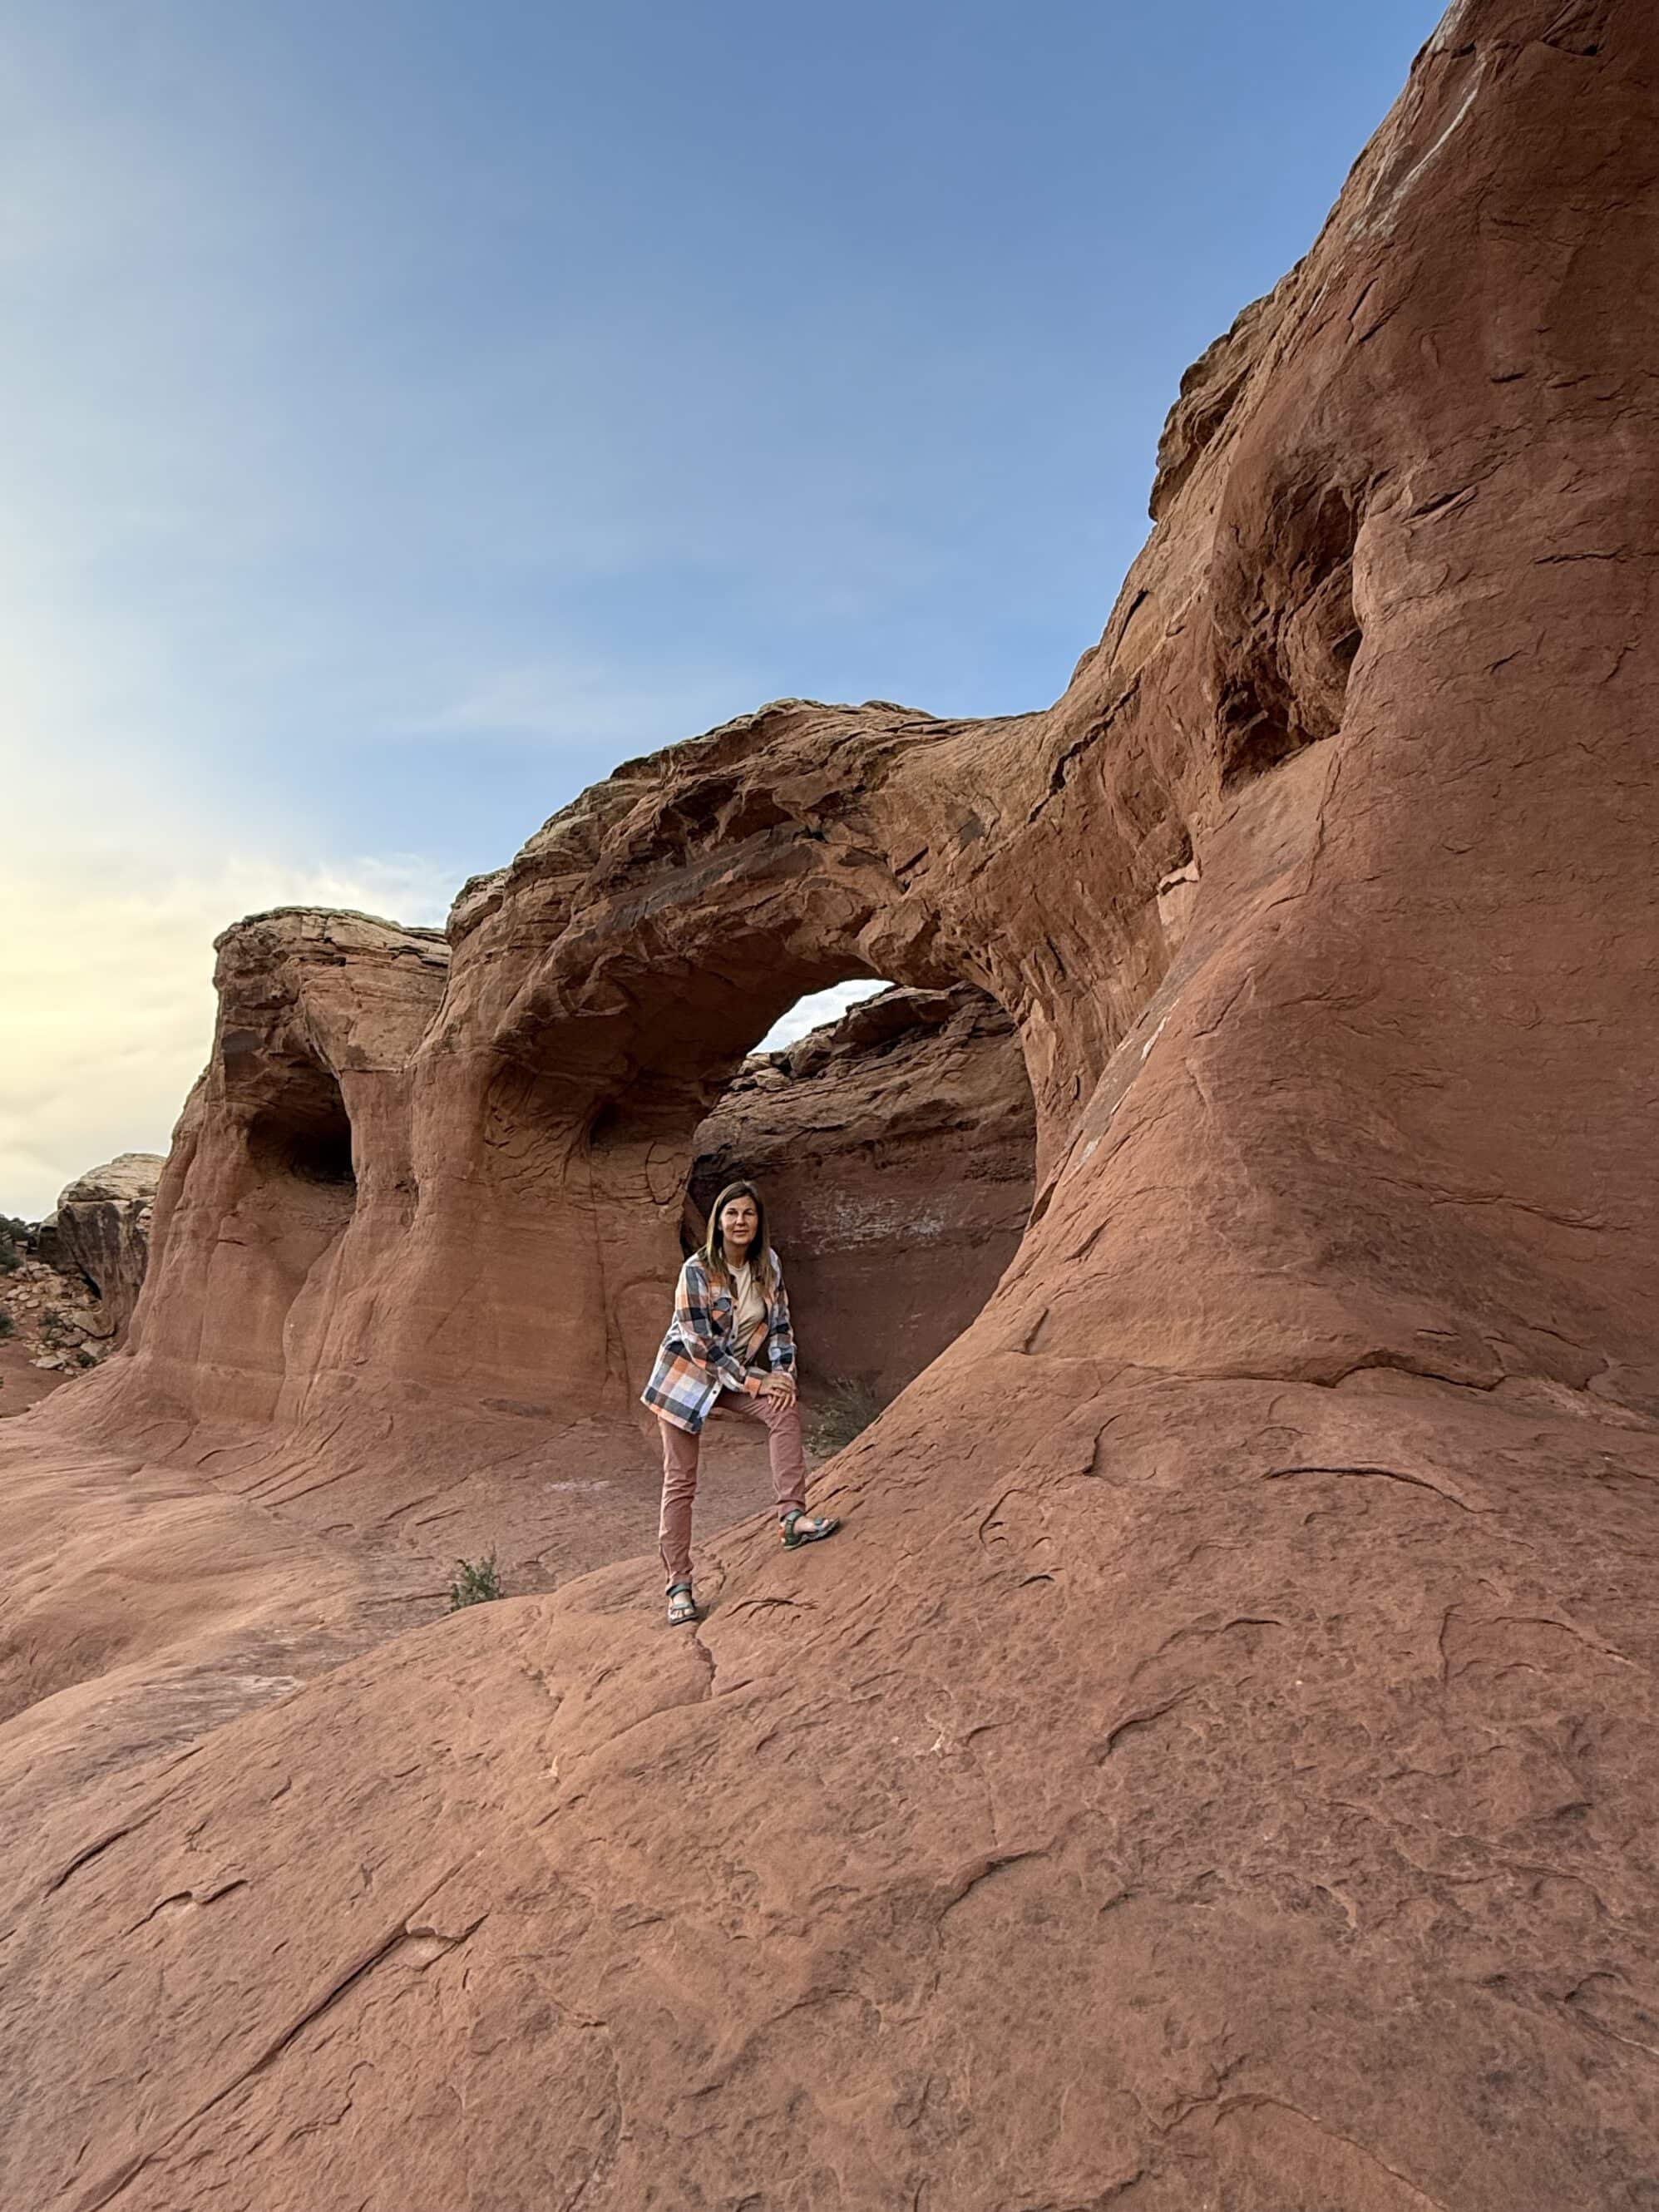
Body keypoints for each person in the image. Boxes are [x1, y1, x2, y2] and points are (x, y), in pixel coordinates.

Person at [642, 1179, 840, 1624]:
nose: (740, 1222)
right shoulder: (696, 1270)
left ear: (758, 1221)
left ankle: (793, 1518)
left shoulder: (767, 1264)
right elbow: (702, 1348)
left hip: (736, 1375)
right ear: (718, 1221)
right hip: (686, 1382)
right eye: (731, 1214)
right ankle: (678, 1586)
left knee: (783, 1409)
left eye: (748, 1214)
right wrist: (756, 1381)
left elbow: (782, 1327)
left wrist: (783, 1375)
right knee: (681, 1481)